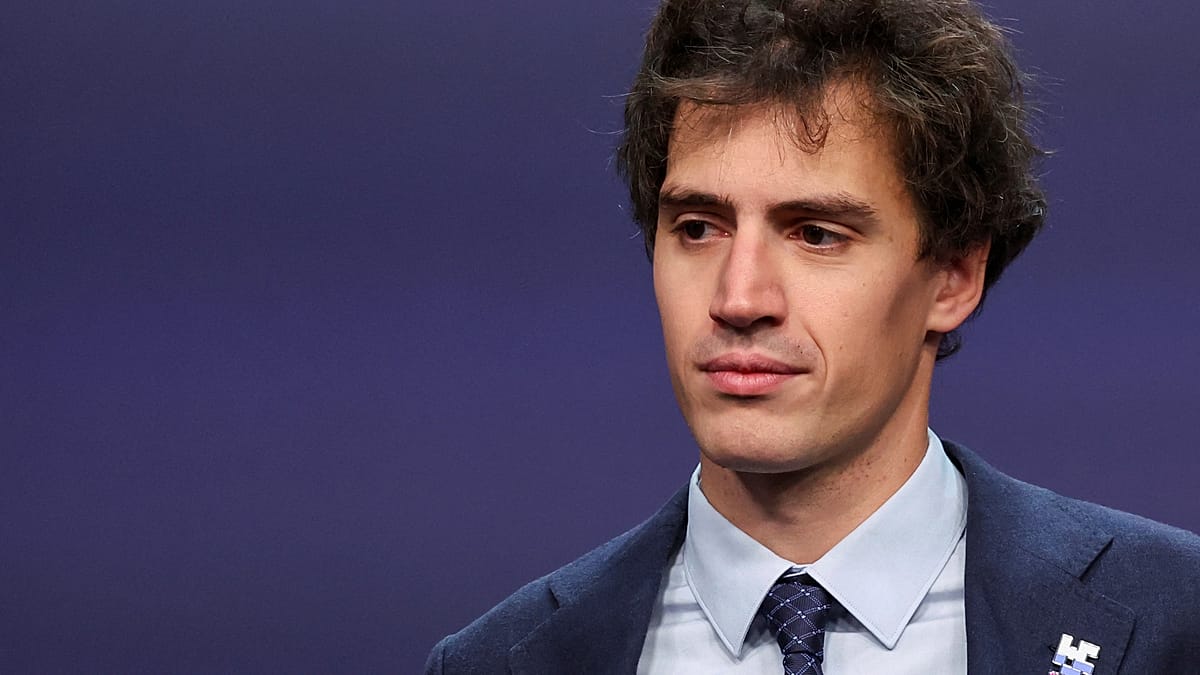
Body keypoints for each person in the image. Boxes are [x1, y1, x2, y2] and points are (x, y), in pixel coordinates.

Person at [425, 0, 1200, 673]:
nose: (739, 298)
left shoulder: (1174, 623)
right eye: (697, 227)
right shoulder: (506, 659)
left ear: (954, 276)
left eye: (817, 234)